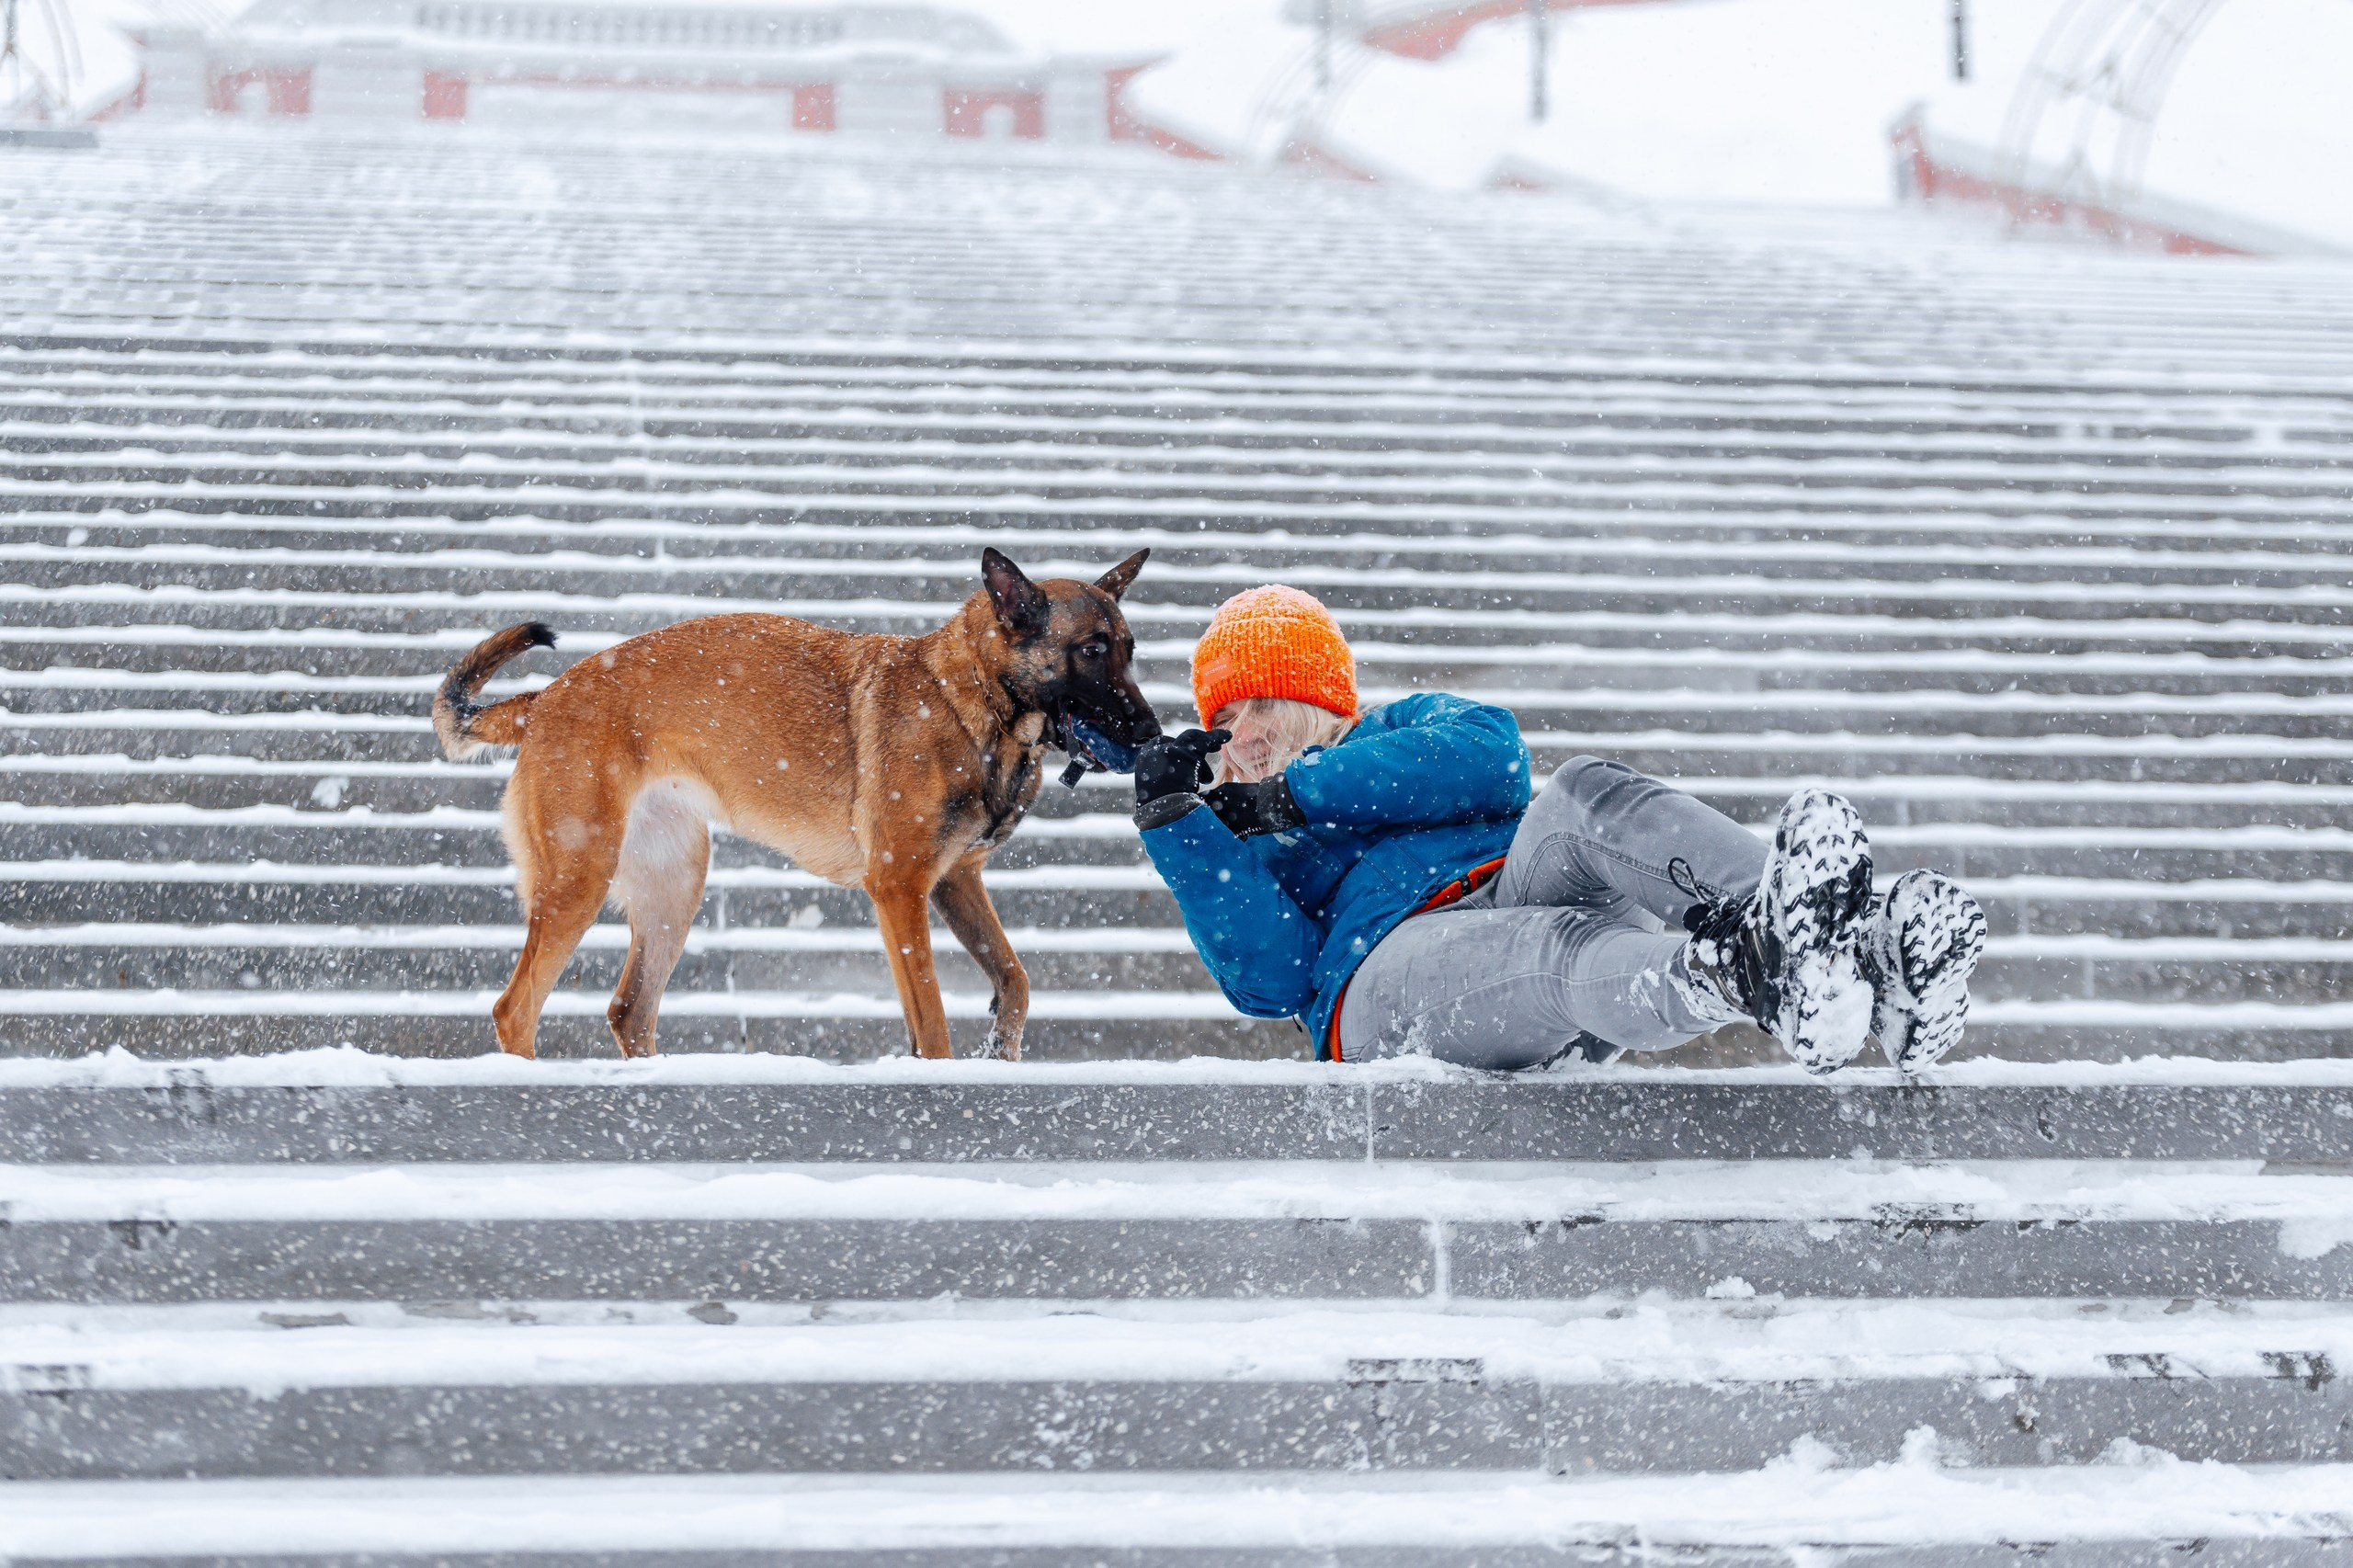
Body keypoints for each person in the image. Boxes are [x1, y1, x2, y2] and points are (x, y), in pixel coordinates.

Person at [1130, 585, 1987, 1074]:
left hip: (1505, 885)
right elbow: (1274, 982)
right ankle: (1747, 978)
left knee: (1584, 791)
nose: (1231, 738)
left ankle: (1848, 948)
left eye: (1247, 708)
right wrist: (1179, 823)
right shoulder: (1246, 839)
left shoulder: (1394, 735)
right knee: (1554, 944)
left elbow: (1494, 757)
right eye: (1220, 717)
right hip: (1377, 985)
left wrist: (1298, 794)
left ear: (1305, 699)